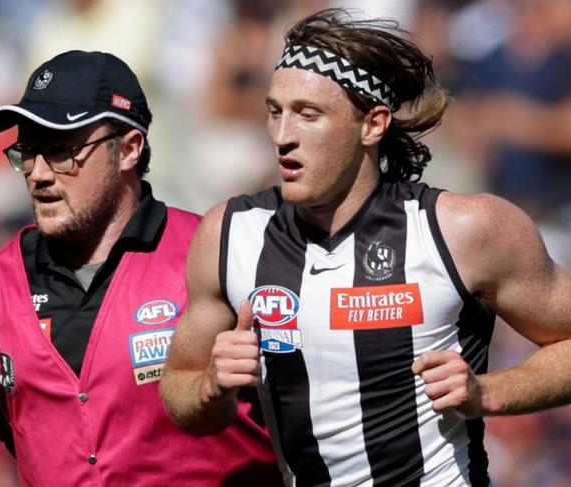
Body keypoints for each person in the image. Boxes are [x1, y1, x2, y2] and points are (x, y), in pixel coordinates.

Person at [159, 8, 571, 486]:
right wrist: (212, 385)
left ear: (372, 124)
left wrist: (490, 392)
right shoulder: (229, 234)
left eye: (308, 114)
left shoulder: (463, 229)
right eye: (275, 111)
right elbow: (181, 393)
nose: (282, 136)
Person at [0, 50, 283, 486]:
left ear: (129, 149)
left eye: (60, 150)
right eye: (28, 152)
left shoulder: (216, 253)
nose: (37, 173)